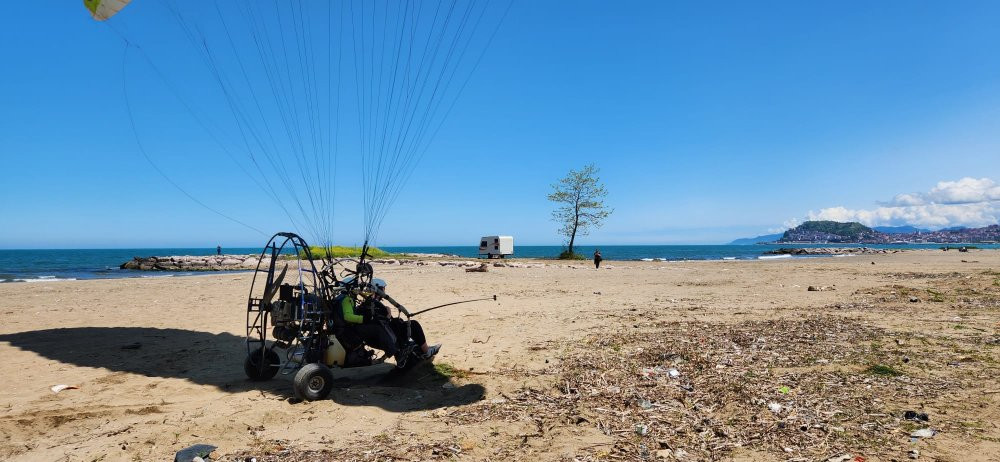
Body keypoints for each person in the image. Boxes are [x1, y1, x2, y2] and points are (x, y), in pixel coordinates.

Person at [340, 282, 440, 362]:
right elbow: (349, 316)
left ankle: (411, 354)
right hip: (388, 335)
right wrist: (386, 312)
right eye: (383, 288)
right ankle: (427, 351)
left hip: (380, 336)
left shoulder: (366, 304)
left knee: (403, 325)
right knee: (414, 325)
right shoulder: (370, 304)